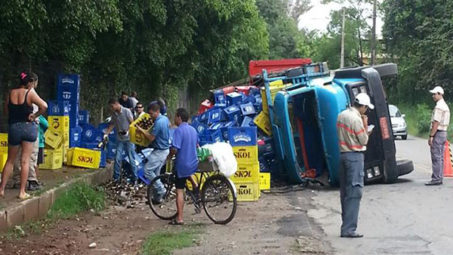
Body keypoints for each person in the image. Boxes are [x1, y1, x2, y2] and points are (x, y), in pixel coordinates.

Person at [0, 72, 47, 199]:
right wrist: (34, 116)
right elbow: (44, 106)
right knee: (25, 161)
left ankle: (1, 189)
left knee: (10, 160)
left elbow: (6, 110)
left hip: (14, 127)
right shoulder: (30, 93)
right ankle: (22, 192)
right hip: (28, 127)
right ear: (30, 82)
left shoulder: (10, 93)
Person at [336, 93, 374, 238]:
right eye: (366, 108)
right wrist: (366, 127)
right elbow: (363, 140)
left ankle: (345, 224)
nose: (366, 111)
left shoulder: (342, 115)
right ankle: (349, 229)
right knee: (355, 192)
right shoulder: (356, 119)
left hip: (343, 155)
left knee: (345, 192)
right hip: (354, 156)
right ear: (363, 106)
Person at [167, 108, 199, 225]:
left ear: (179, 117)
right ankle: (195, 186)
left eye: (175, 116)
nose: (174, 119)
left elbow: (175, 148)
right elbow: (196, 145)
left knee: (179, 190)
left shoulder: (179, 131)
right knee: (187, 172)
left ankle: (179, 218)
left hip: (183, 164)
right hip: (194, 162)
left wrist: (169, 156)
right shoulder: (193, 129)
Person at [135, 102, 170, 203]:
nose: (150, 116)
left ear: (157, 112)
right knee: (156, 173)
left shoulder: (159, 122)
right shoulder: (164, 118)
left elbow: (151, 138)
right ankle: (157, 198)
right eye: (149, 114)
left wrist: (141, 130)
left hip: (160, 151)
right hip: (162, 149)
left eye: (152, 114)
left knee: (147, 171)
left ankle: (161, 189)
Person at [104, 98, 137, 183]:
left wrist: (127, 131)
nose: (111, 108)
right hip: (120, 139)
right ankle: (116, 178)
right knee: (117, 158)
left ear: (116, 104)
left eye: (112, 106)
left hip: (129, 139)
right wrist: (106, 133)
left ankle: (135, 178)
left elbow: (133, 124)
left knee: (131, 158)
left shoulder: (126, 111)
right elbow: (112, 124)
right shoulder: (114, 114)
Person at [426, 86, 450, 186]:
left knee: (436, 156)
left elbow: (436, 122)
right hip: (443, 132)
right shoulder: (444, 105)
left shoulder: (439, 106)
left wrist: (431, 135)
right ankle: (438, 177)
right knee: (440, 157)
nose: (433, 96)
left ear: (440, 94)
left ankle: (436, 178)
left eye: (435, 94)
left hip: (438, 133)